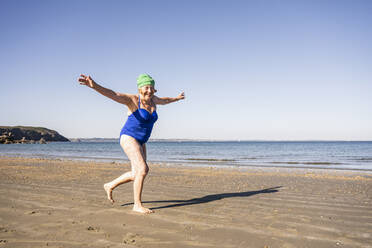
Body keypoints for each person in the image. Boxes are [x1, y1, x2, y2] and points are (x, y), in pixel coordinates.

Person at [78, 74, 185, 213]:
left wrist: (176, 98)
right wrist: (95, 86)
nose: (149, 91)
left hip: (141, 141)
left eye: (152, 88)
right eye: (146, 87)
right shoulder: (133, 100)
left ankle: (110, 185)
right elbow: (113, 94)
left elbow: (165, 100)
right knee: (143, 169)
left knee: (136, 173)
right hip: (129, 137)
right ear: (140, 88)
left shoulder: (153, 100)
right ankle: (137, 205)